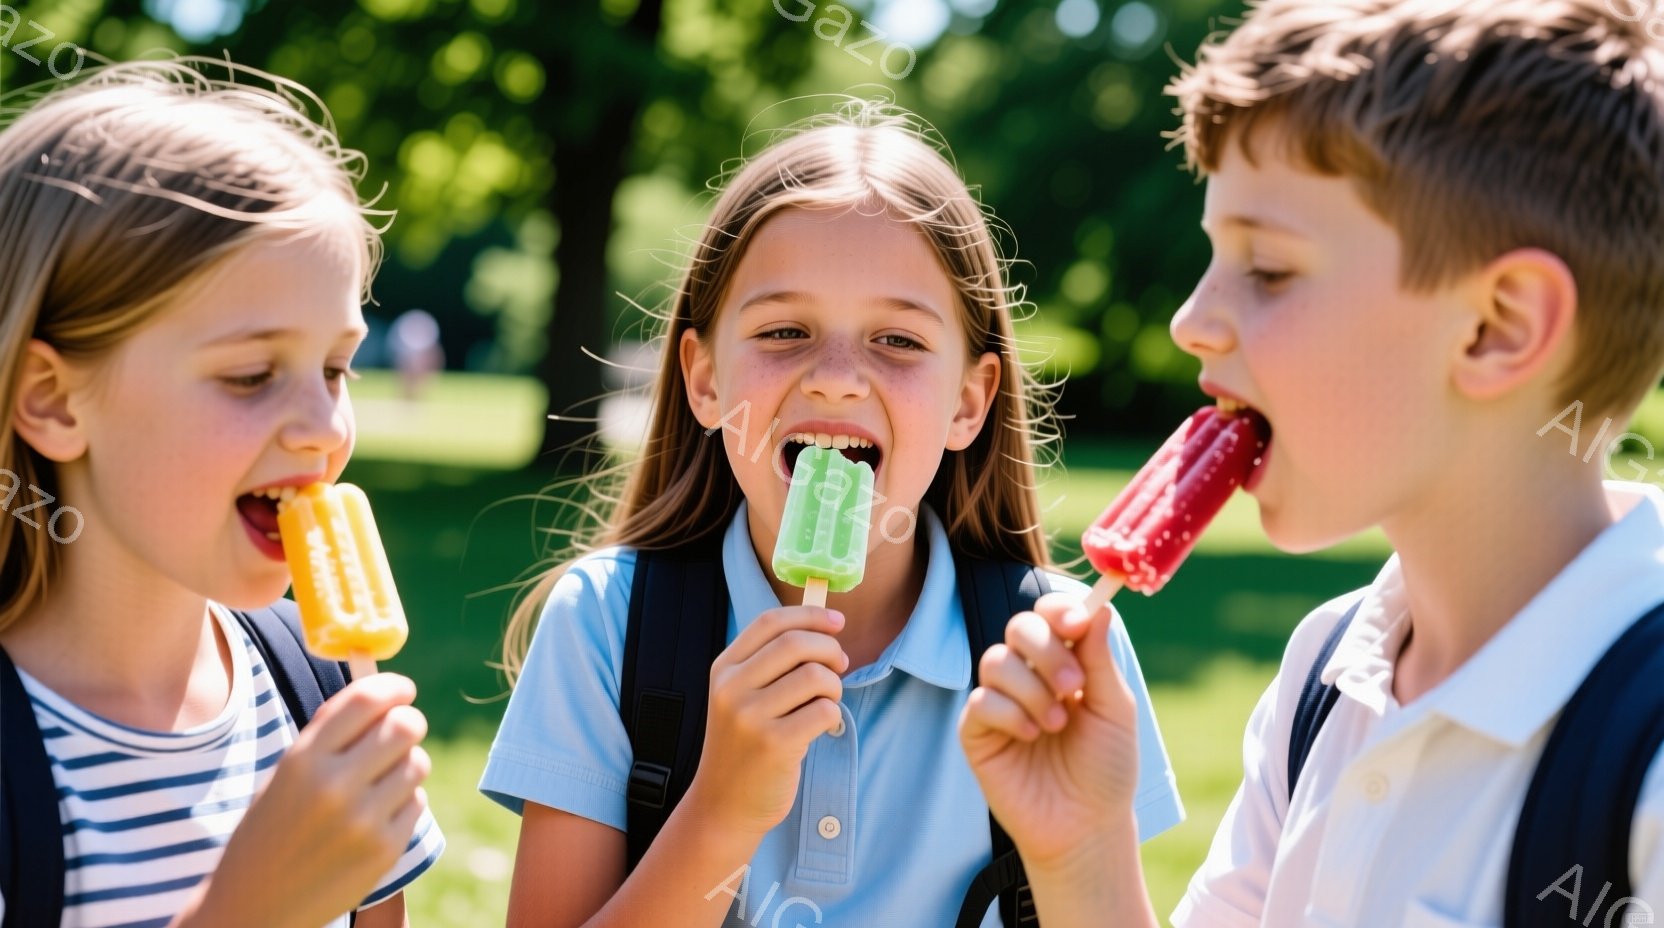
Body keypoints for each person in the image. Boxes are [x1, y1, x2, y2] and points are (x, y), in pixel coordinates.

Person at [960, 1, 1664, 925]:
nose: (1190, 321)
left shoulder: (1643, 757)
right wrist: (1084, 852)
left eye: (1268, 269)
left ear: (1498, 327)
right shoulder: (1327, 672)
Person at [479, 101, 1184, 927]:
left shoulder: (1059, 655)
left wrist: (1080, 852)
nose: (838, 377)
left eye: (899, 341)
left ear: (970, 402)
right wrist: (722, 813)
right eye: (785, 330)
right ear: (705, 382)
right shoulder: (608, 622)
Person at [0, 59, 443, 927]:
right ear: (53, 399)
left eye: (335, 369)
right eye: (251, 375)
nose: (323, 427)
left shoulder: (317, 683)